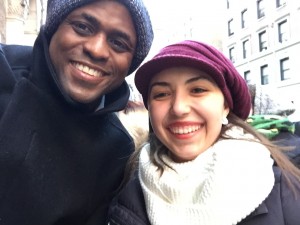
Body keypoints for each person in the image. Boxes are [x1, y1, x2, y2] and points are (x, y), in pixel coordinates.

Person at [107, 40, 300, 225]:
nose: (179, 108)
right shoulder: (128, 189)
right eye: (162, 94)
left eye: (198, 89)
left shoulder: (285, 191)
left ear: (226, 106)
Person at [0, 0, 153, 224]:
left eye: (118, 43)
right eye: (83, 27)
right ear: (54, 28)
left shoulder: (118, 149)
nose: (97, 49)